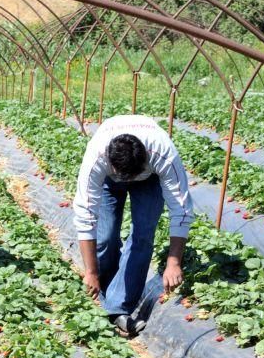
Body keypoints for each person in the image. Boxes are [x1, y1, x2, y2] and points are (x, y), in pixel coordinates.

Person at [73, 114, 194, 335]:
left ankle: (119, 307)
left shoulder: (163, 154)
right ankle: (107, 293)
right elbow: (85, 213)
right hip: (110, 180)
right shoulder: (97, 156)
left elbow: (181, 210)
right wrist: (90, 271)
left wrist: (174, 262)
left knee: (142, 236)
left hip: (149, 180)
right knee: (106, 236)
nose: (127, 181)